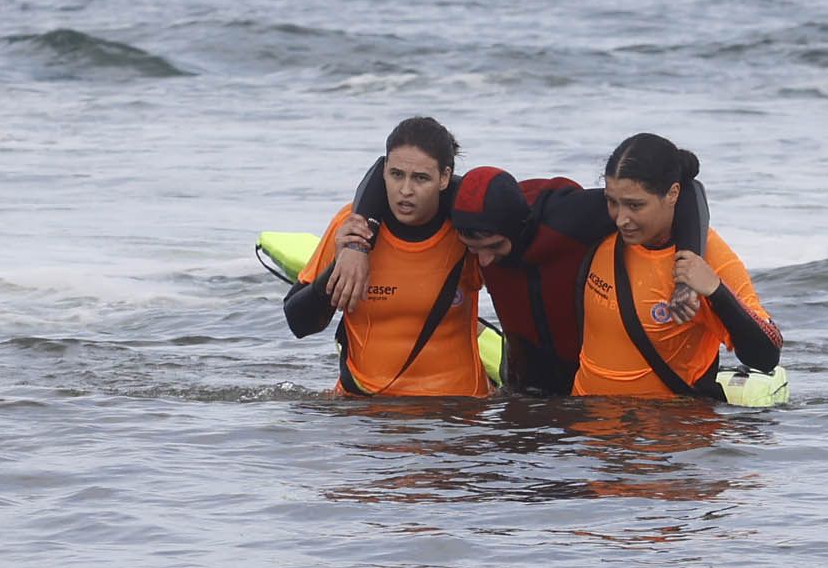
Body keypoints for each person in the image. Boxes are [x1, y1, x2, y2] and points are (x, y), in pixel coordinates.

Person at [329, 161, 706, 396]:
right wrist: (357, 248)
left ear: (520, 227)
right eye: (473, 248)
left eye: (494, 247)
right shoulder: (465, 203)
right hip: (521, 387)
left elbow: (687, 184)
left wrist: (687, 275)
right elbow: (384, 169)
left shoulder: (571, 216)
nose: (483, 260)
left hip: (582, 387)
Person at [282, 117, 488, 397]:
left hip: (455, 411)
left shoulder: (466, 230)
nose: (405, 190)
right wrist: (339, 268)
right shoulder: (352, 228)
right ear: (383, 173)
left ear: (444, 178)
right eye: (396, 174)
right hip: (367, 412)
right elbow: (300, 324)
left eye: (421, 178)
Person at [573, 133, 782, 399]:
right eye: (612, 202)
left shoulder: (707, 257)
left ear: (672, 194)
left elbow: (766, 354)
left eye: (636, 205)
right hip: (591, 431)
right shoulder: (601, 231)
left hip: (671, 431)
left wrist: (717, 291)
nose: (621, 219)